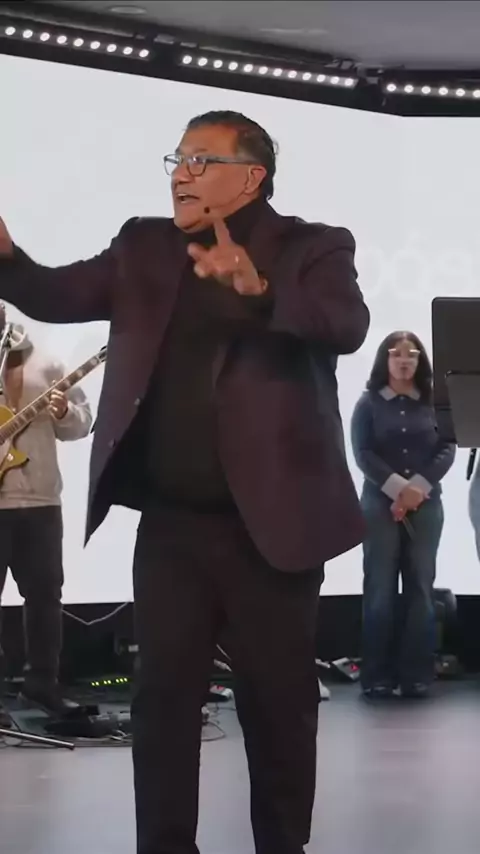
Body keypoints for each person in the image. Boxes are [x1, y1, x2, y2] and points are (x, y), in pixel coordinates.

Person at [0, 111, 369, 854]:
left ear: (252, 176)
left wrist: (259, 289)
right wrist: (9, 258)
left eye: (201, 160)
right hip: (172, 526)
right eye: (177, 159)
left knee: (278, 707)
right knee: (161, 703)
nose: (181, 174)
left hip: (271, 527)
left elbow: (345, 324)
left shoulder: (313, 246)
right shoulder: (144, 244)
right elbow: (57, 293)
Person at [351, 331, 456, 700]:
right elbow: (363, 453)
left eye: (411, 354)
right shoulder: (368, 404)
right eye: (396, 354)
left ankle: (416, 675)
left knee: (420, 589)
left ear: (420, 361)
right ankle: (377, 675)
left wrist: (417, 490)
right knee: (379, 589)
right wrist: (398, 490)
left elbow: (447, 448)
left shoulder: (435, 403)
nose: (404, 360)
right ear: (385, 360)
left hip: (427, 505)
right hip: (378, 505)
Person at [0, 307, 92, 721]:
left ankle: (42, 683)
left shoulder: (46, 362)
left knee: (44, 596)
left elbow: (83, 422)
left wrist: (64, 413)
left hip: (39, 501)